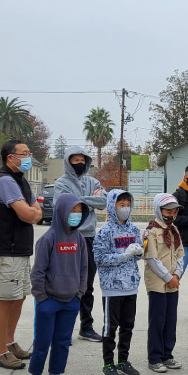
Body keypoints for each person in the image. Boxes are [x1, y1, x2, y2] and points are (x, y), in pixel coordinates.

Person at [0, 140, 41, 370]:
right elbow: (28, 213)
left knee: (18, 297)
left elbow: (36, 211)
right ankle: (1, 351)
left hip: (19, 250)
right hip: (6, 250)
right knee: (6, 299)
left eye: (29, 153)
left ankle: (10, 341)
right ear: (10, 157)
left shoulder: (21, 181)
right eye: (24, 153)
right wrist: (32, 212)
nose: (28, 157)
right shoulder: (6, 180)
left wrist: (33, 212)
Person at [25, 192, 88, 375]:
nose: (76, 215)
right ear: (62, 212)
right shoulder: (48, 239)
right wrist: (41, 297)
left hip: (71, 301)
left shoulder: (79, 238)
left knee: (62, 342)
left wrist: (79, 292)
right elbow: (38, 272)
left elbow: (84, 268)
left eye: (79, 211)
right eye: (73, 211)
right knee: (42, 342)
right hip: (48, 301)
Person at [54, 146, 107, 342]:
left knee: (87, 285)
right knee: (66, 284)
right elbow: (63, 204)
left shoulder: (92, 181)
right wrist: (89, 200)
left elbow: (103, 201)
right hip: (68, 237)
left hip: (89, 238)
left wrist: (79, 200)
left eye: (82, 160)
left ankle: (86, 327)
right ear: (68, 162)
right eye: (75, 160)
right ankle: (62, 330)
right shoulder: (61, 183)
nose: (79, 163)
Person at [94, 189, 143, 375]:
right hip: (112, 287)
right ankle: (108, 363)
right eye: (121, 205)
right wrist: (123, 255)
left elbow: (138, 253)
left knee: (128, 325)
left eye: (127, 205)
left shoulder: (133, 230)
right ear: (112, 207)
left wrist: (138, 252)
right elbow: (99, 258)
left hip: (131, 285)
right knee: (110, 327)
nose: (125, 209)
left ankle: (123, 361)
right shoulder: (104, 232)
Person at [142, 193, 185, 373]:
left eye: (174, 211)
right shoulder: (150, 231)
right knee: (157, 320)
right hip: (158, 283)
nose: (171, 214)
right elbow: (152, 258)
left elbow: (180, 254)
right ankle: (155, 357)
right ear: (158, 210)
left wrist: (177, 275)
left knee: (170, 320)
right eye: (168, 210)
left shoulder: (174, 230)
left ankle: (168, 354)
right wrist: (169, 278)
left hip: (172, 283)